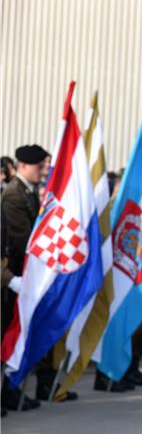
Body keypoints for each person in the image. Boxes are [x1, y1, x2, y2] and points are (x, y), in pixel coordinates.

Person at [1, 145, 50, 409]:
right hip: (14, 277)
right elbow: (22, 241)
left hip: (24, 276)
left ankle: (11, 391)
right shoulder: (13, 196)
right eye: (38, 167)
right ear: (22, 166)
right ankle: (7, 391)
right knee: (9, 334)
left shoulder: (26, 193)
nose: (42, 171)